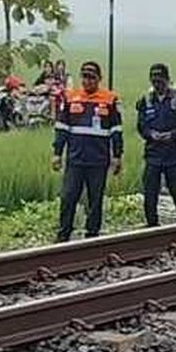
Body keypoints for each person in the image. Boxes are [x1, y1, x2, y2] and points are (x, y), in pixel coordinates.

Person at [51, 61, 122, 241]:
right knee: (68, 197)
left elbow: (116, 130)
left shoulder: (110, 99)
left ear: (99, 78)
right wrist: (57, 153)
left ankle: (92, 235)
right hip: (75, 159)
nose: (87, 81)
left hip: (98, 160)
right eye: (85, 77)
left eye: (92, 77)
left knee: (95, 200)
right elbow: (62, 128)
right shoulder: (70, 97)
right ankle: (63, 234)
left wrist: (117, 156)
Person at [136, 63, 176, 227]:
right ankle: (152, 225)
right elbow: (141, 126)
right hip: (153, 155)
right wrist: (151, 134)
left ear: (167, 80)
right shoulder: (146, 101)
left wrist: (172, 135)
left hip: (173, 155)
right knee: (150, 192)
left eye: (160, 81)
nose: (157, 84)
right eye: (154, 81)